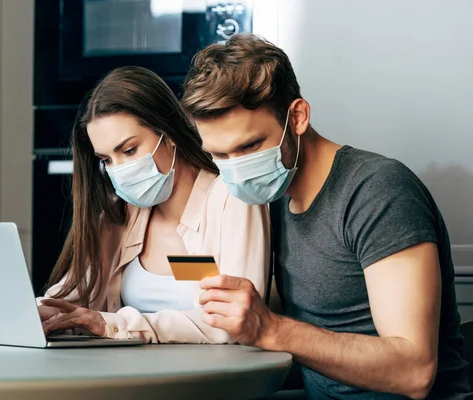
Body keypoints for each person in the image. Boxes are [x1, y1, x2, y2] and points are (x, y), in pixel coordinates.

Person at [181, 34, 471, 399]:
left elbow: (413, 370)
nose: (237, 169)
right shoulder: (271, 197)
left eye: (250, 145)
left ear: (298, 117)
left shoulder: (378, 192)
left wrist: (270, 329)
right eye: (219, 156)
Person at [37, 66, 270, 344]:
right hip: (130, 377)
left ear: (168, 133)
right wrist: (38, 313)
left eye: (129, 150)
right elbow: (72, 297)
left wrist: (116, 324)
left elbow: (230, 321)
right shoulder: (118, 213)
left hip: (210, 380)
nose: (120, 170)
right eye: (107, 160)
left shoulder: (232, 198)